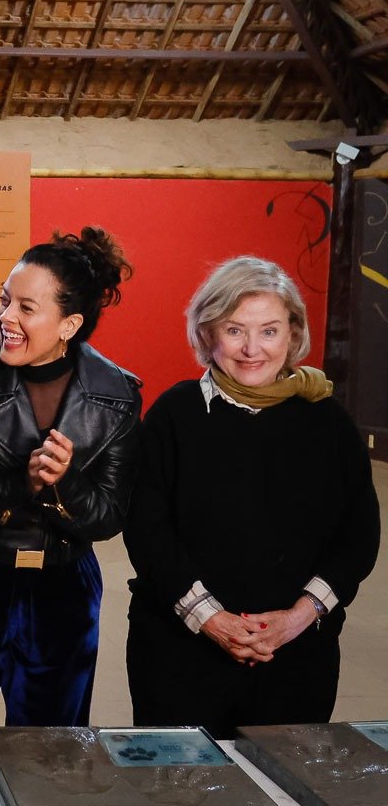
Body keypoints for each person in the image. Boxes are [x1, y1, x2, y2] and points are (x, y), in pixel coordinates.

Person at [124, 256, 379, 738]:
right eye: (234, 330)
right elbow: (146, 531)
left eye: (269, 331)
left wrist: (298, 618)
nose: (251, 349)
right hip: (180, 655)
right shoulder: (174, 414)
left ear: (293, 334)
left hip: (296, 657)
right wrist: (211, 619)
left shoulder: (328, 421)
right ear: (208, 333)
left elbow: (359, 536)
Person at [0, 227, 140, 742]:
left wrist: (65, 483)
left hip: (62, 594)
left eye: (26, 308)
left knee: (49, 753)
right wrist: (23, 482)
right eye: (4, 301)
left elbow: (108, 516)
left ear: (69, 324)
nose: (5, 317)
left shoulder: (119, 395)